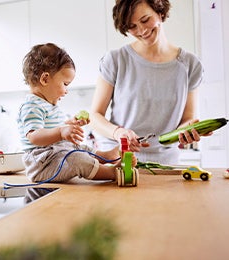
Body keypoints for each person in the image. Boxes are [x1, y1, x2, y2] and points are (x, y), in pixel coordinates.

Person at [90, 0, 205, 165]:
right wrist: (118, 133)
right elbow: (95, 116)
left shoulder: (190, 65)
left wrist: (188, 131)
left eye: (145, 20)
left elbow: (187, 118)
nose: (142, 30)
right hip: (119, 161)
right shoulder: (115, 60)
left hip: (165, 164)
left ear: (160, 11)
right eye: (132, 26)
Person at [17, 43, 136, 183]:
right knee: (76, 159)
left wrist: (70, 125)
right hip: (41, 163)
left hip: (54, 153)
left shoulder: (48, 104)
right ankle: (111, 172)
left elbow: (52, 129)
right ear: (45, 79)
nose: (66, 91)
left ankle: (105, 156)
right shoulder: (32, 105)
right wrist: (61, 132)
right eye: (65, 84)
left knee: (79, 147)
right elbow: (34, 137)